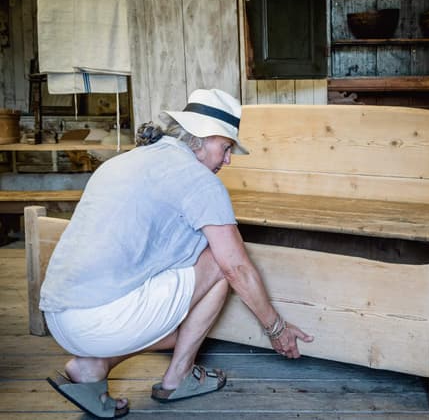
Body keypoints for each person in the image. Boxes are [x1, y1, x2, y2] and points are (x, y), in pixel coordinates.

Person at [40, 88, 314, 418]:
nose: (227, 161)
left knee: (176, 327)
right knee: (218, 260)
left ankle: (93, 365)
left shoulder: (129, 159)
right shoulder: (198, 179)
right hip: (100, 318)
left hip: (58, 314)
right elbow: (235, 267)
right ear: (204, 137)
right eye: (226, 148)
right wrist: (277, 329)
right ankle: (179, 376)